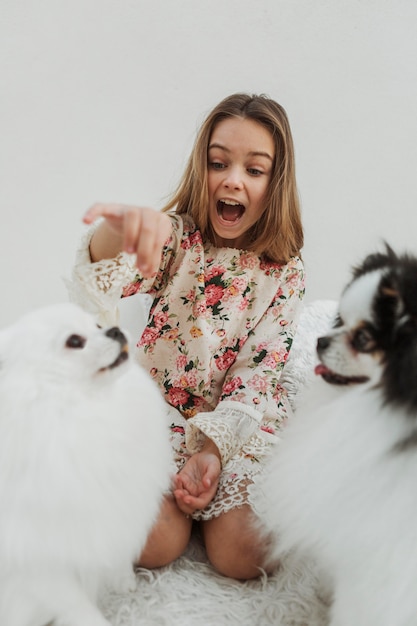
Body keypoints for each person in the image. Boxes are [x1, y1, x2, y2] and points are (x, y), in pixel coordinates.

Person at [69, 93, 305, 580]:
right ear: (203, 167)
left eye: (254, 170)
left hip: (235, 426)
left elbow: (258, 372)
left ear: (275, 182)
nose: (233, 179)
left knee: (244, 555)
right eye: (219, 162)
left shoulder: (286, 273)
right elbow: (108, 274)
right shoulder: (178, 240)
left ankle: (215, 510)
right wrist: (121, 230)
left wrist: (214, 452)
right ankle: (176, 511)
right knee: (154, 543)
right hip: (165, 416)